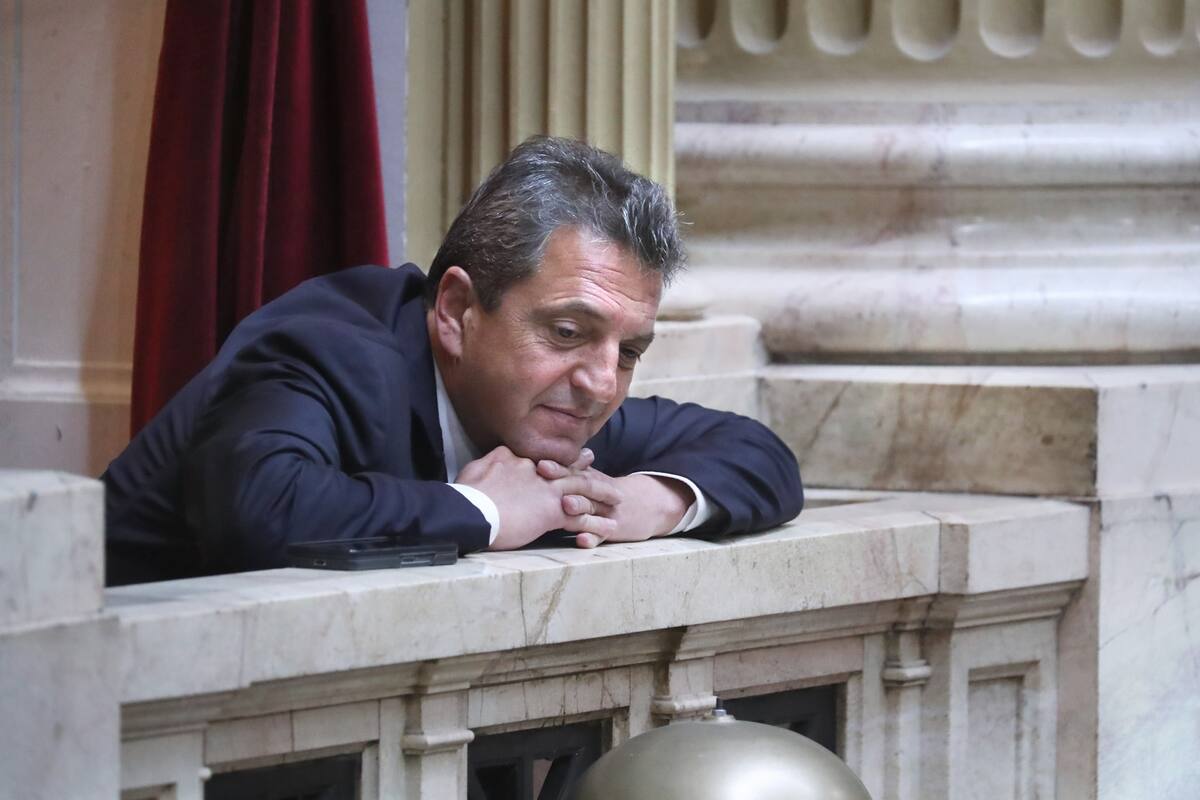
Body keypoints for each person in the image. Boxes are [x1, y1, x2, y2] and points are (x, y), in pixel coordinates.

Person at [103, 137, 803, 586]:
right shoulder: (328, 350)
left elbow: (759, 454)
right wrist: (485, 509)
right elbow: (257, 508)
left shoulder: (558, 410)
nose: (598, 383)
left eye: (628, 350)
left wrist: (650, 503)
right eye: (566, 331)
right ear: (457, 311)